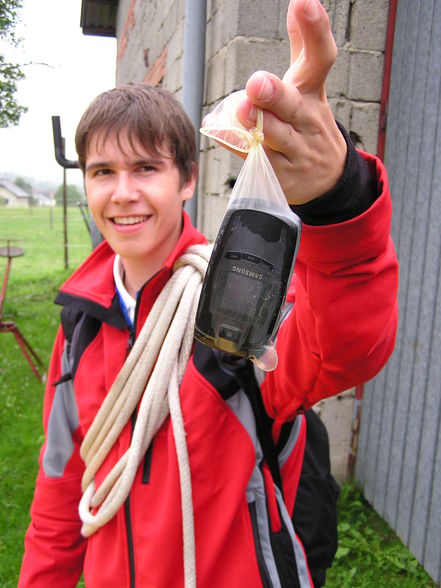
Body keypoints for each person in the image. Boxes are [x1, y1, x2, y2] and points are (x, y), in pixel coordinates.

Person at [18, 0, 398, 586]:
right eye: (102, 172)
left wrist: (336, 198)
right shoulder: (81, 326)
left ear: (187, 180)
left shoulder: (236, 304)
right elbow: (61, 486)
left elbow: (347, 347)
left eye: (145, 168)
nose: (122, 193)